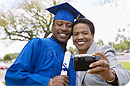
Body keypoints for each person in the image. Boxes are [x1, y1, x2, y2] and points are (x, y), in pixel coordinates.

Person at [5, 2, 85, 86]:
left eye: (69, 26)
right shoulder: (38, 44)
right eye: (59, 24)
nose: (64, 28)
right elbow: (13, 75)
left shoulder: (71, 58)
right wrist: (48, 82)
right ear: (52, 26)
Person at [72, 18, 130, 86]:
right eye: (76, 34)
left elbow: (124, 74)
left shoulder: (103, 51)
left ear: (92, 35)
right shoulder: (73, 58)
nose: (80, 37)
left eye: (85, 33)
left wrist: (111, 75)